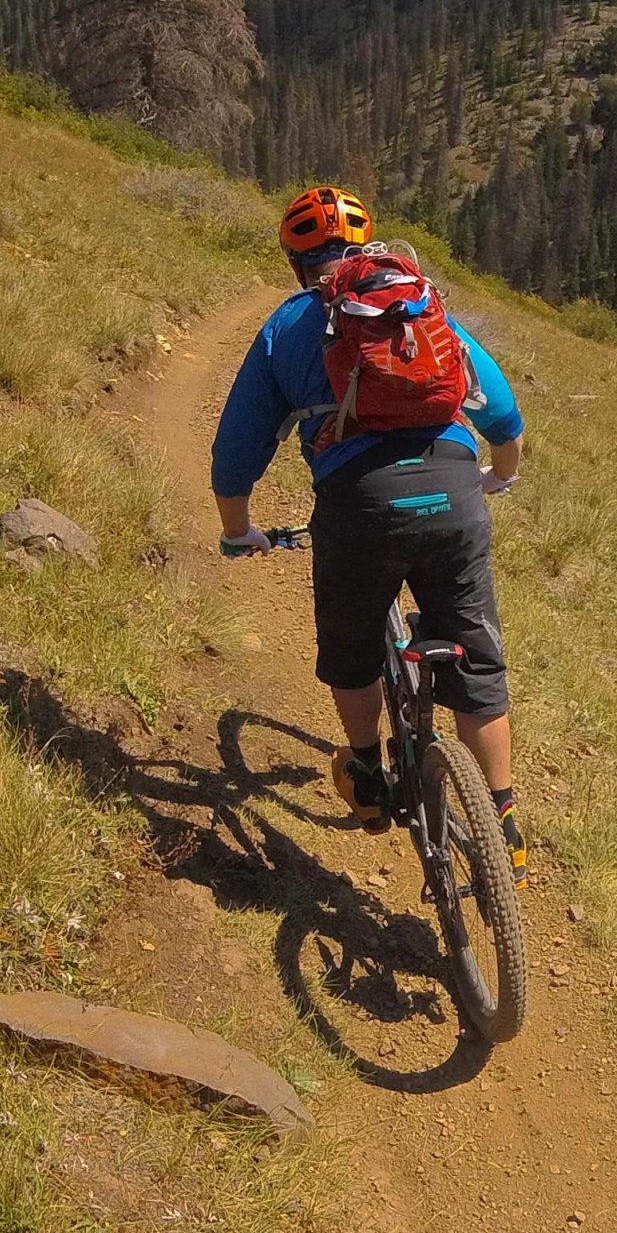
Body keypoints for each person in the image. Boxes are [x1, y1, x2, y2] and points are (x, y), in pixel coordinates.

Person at [210, 185, 528, 876]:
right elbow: (501, 411)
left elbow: (236, 453)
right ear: (368, 247)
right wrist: (499, 472)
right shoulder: (417, 303)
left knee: (353, 648)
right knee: (476, 661)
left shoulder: (288, 326)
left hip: (360, 504)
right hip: (454, 489)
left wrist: (239, 530)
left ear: (298, 262)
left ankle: (368, 771)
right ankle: (504, 815)